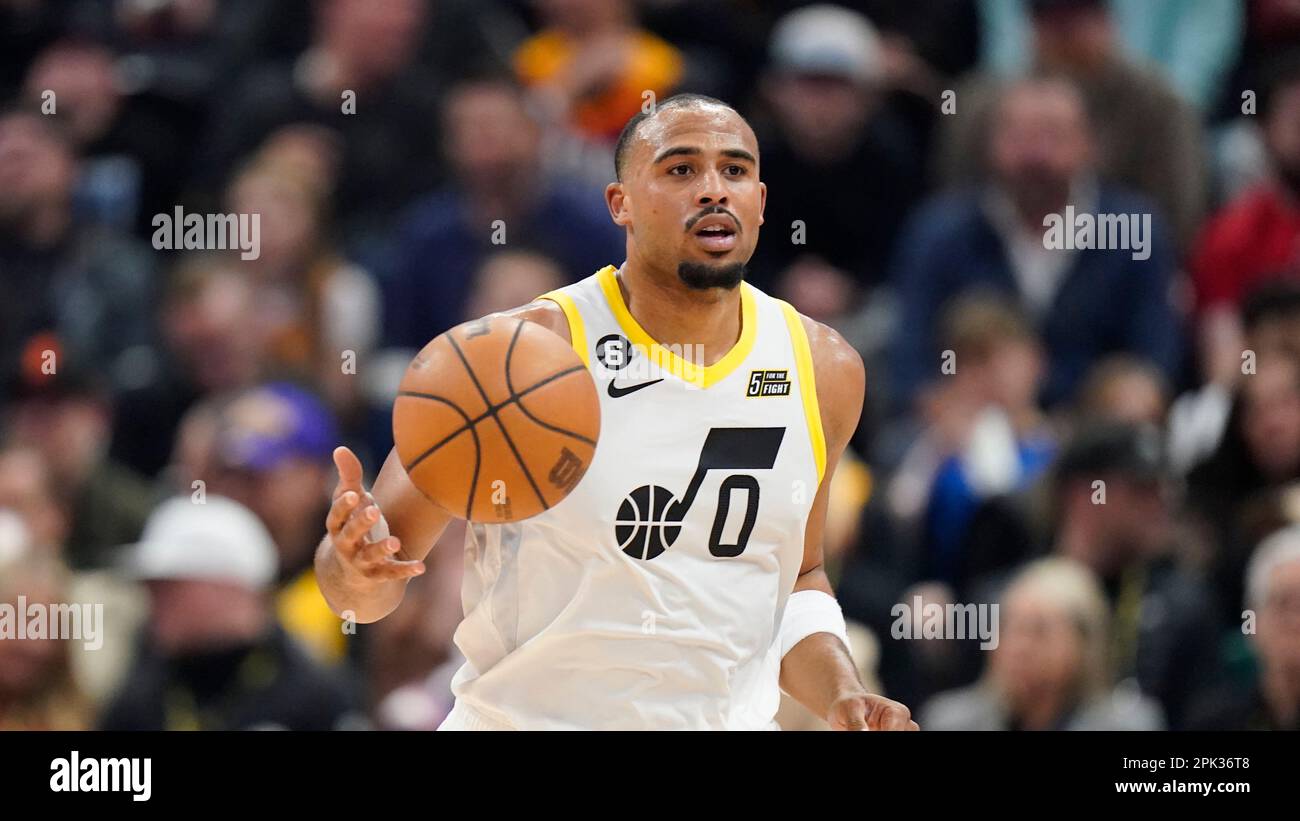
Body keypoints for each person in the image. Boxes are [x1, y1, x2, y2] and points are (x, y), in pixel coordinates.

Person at [315, 93, 916, 731]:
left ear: (761, 204)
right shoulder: (517, 354)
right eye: (681, 169)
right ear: (619, 204)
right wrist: (353, 562)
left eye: (734, 171)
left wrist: (840, 692)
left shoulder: (824, 368)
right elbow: (366, 588)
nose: (713, 190)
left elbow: (798, 577)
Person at [101, 495, 357, 731]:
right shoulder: (140, 697)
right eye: (152, 587)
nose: (154, 600)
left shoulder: (315, 697)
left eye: (171, 586)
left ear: (229, 586)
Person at [921, 557, 1164, 731]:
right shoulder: (949, 722)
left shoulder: (1128, 725)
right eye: (1009, 628)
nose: (1019, 647)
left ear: (1084, 645)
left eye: (1039, 631)